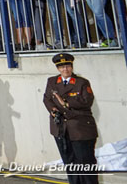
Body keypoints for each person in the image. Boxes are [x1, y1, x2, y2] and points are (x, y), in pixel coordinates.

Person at [43, 53, 99, 183]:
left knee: (85, 163)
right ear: (58, 68)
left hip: (80, 129)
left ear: (72, 66)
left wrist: (66, 103)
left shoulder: (82, 82)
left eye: (67, 66)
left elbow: (87, 101)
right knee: (70, 162)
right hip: (60, 129)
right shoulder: (52, 81)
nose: (65, 69)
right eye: (61, 67)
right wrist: (53, 110)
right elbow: (47, 99)